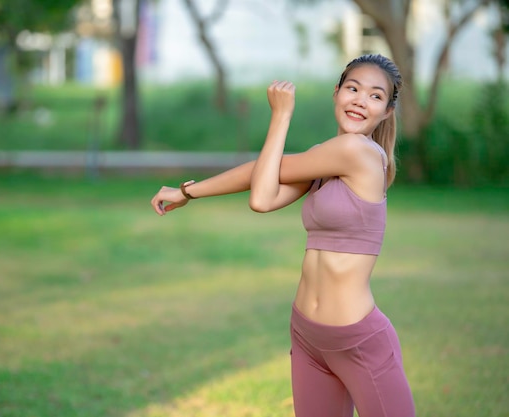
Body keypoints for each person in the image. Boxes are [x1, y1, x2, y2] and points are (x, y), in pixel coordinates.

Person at [150, 54, 415, 417]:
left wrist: (281, 116)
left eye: (374, 95)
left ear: (386, 112)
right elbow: (265, 187)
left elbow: (259, 195)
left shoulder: (358, 153)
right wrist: (187, 193)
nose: (359, 99)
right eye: (352, 88)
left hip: (357, 340)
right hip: (308, 335)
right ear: (336, 93)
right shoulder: (323, 158)